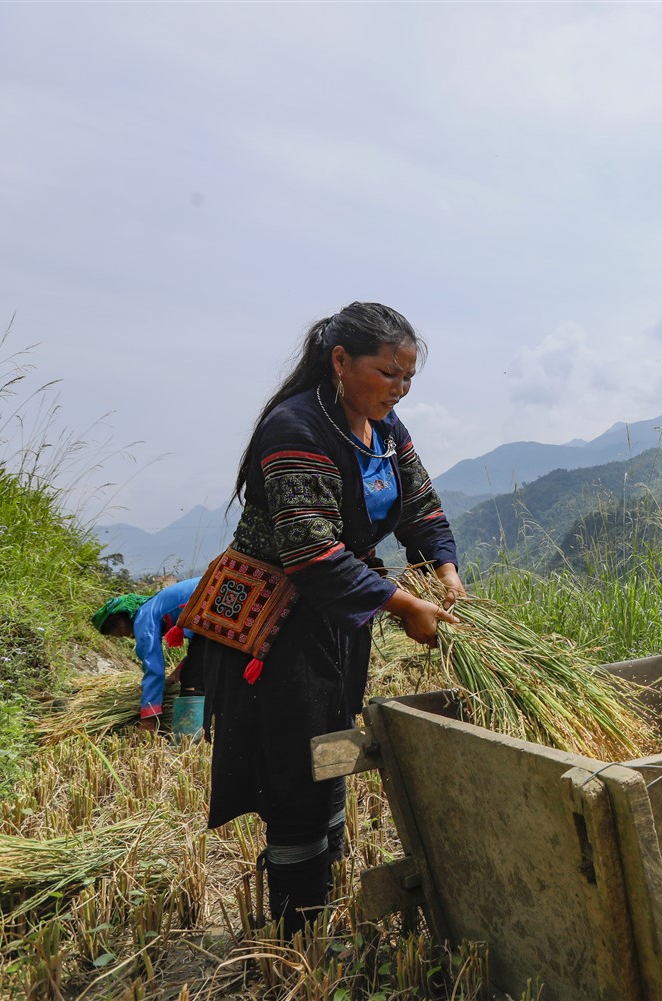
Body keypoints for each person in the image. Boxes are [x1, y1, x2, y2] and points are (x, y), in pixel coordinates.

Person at [188, 301, 463, 936]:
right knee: (294, 763)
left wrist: (444, 573)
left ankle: (322, 889)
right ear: (340, 361)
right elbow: (310, 552)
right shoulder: (296, 428)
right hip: (277, 625)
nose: (397, 389)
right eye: (387, 373)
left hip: (341, 618)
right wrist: (402, 604)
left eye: (408, 378)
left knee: (332, 746)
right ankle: (299, 927)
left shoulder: (388, 433)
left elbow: (422, 511)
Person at [91, 576, 201, 733]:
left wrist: (148, 720)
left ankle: (187, 737)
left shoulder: (143, 618)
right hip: (218, 594)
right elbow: (200, 646)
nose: (129, 636)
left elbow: (154, 670)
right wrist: (178, 672)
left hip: (212, 598)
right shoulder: (156, 606)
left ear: (127, 616)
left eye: (121, 632)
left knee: (193, 680)